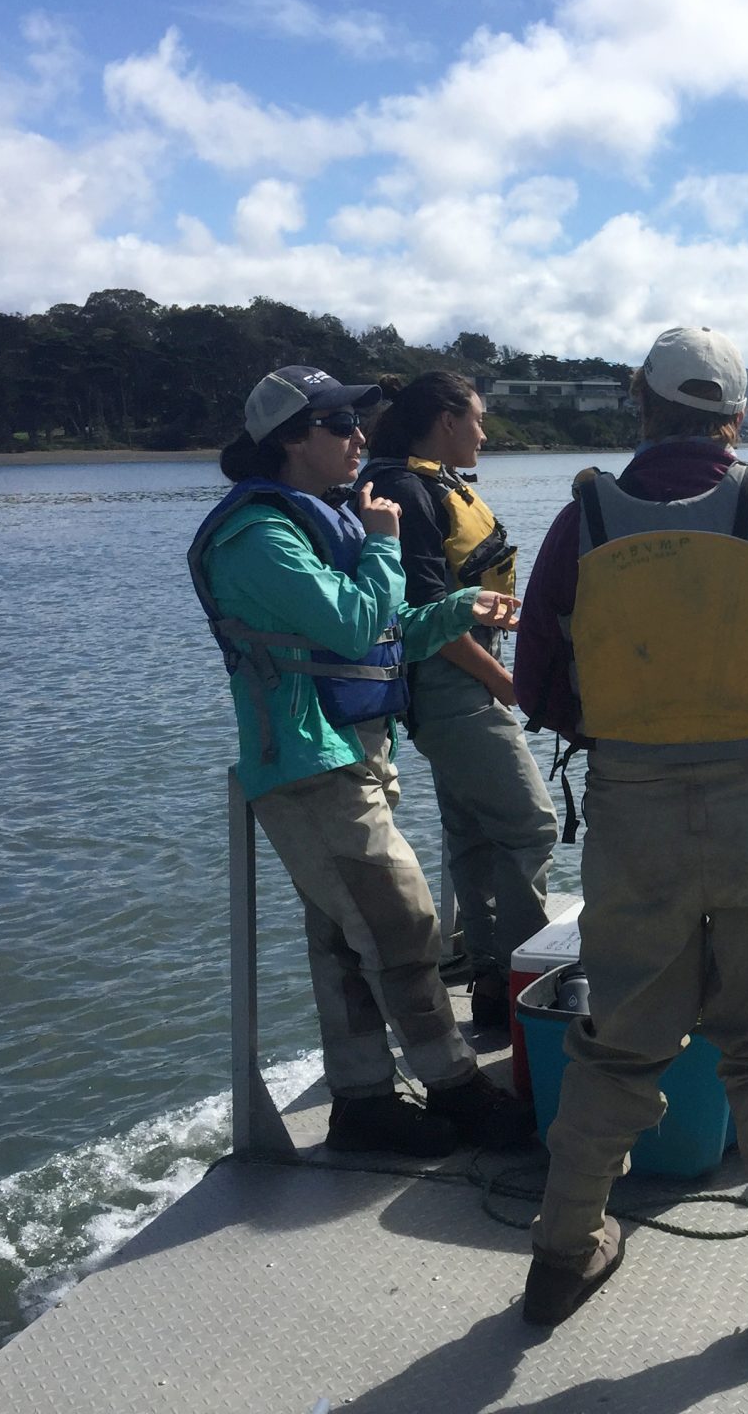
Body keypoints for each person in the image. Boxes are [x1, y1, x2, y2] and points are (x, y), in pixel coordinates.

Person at [512, 327, 748, 1353]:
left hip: (633, 814)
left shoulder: (578, 524)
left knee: (619, 1035)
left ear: (639, 401)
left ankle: (561, 1252)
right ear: (735, 415)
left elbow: (543, 688)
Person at [190, 365, 535, 1159]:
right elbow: (349, 624)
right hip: (309, 761)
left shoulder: (317, 518)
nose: (359, 438)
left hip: (348, 752)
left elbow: (385, 633)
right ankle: (457, 1088)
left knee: (346, 939)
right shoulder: (257, 537)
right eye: (340, 425)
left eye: (357, 424)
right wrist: (383, 545)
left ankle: (362, 1100)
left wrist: (458, 607)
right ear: (290, 440)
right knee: (403, 921)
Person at [356, 371, 558, 1031]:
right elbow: (424, 618)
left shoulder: (416, 481)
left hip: (456, 673)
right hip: (449, 682)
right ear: (445, 420)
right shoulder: (408, 490)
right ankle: (529, 981)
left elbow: (451, 591)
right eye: (476, 418)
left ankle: (496, 984)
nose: (485, 430)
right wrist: (507, 685)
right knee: (530, 827)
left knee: (473, 833)